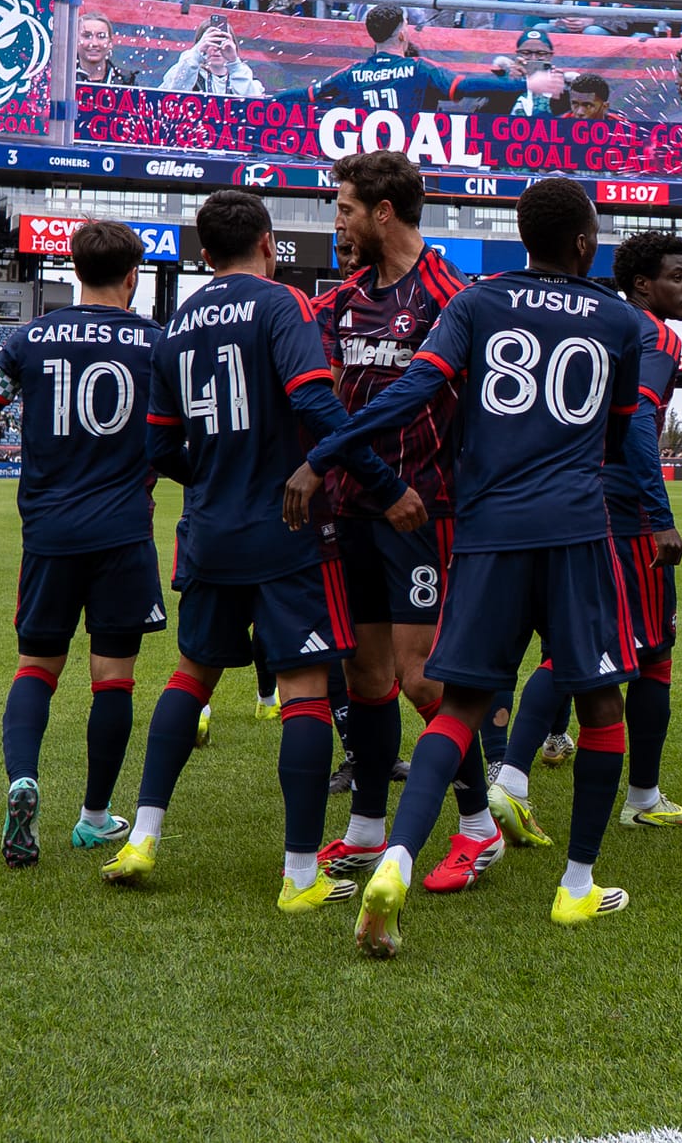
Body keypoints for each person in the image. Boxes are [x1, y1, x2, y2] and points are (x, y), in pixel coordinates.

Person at [288, 176, 649, 955]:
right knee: (601, 712)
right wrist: (649, 512)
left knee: (455, 708)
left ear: (522, 236)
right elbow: (626, 439)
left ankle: (395, 859)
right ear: (586, 242)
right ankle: (579, 888)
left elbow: (414, 392)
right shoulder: (622, 322)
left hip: (487, 533)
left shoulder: (477, 302)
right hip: (578, 533)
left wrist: (328, 451)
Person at [103, 189, 424, 914]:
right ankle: (301, 877)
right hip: (287, 528)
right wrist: (384, 484)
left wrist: (216, 475)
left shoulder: (175, 324)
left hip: (211, 531)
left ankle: (144, 833)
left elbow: (159, 447)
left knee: (191, 678)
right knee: (307, 692)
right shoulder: (283, 307)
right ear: (270, 244)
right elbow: (316, 405)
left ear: (203, 255)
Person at [0, 220, 166, 866]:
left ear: (73, 272)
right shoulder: (156, 344)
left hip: (50, 534)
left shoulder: (29, 339)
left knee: (37, 667)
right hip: (123, 532)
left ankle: (23, 781)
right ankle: (94, 817)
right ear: (132, 277)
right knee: (113, 678)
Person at [307, 150, 505, 895]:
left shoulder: (453, 296)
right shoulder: (342, 299)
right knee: (364, 674)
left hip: (424, 509)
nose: (339, 220)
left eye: (347, 207)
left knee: (424, 682)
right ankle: (364, 832)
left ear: (384, 212)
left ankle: (479, 827)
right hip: (353, 506)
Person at [488, 231, 682, 842]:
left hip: (560, 502)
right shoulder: (652, 333)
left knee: (570, 643)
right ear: (642, 285)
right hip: (622, 514)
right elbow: (635, 425)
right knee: (649, 651)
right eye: (676, 276)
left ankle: (513, 776)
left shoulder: (593, 321)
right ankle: (633, 796)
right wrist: (659, 515)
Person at [273, 4, 506, 115]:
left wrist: (262, 102)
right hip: (409, 168)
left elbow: (305, 96)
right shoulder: (420, 68)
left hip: (367, 167)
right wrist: (522, 84)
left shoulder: (351, 73)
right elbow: (465, 86)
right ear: (403, 33)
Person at [160, 15, 265, 97]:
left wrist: (234, 63)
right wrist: (197, 53)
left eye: (222, 42)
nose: (217, 48)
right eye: (212, 42)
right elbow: (170, 97)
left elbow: (255, 107)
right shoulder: (185, 70)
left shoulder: (243, 75)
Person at [74, 12, 139, 86]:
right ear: (75, 40)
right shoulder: (62, 78)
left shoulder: (126, 82)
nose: (94, 43)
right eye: (87, 36)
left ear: (110, 42)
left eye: (101, 36)